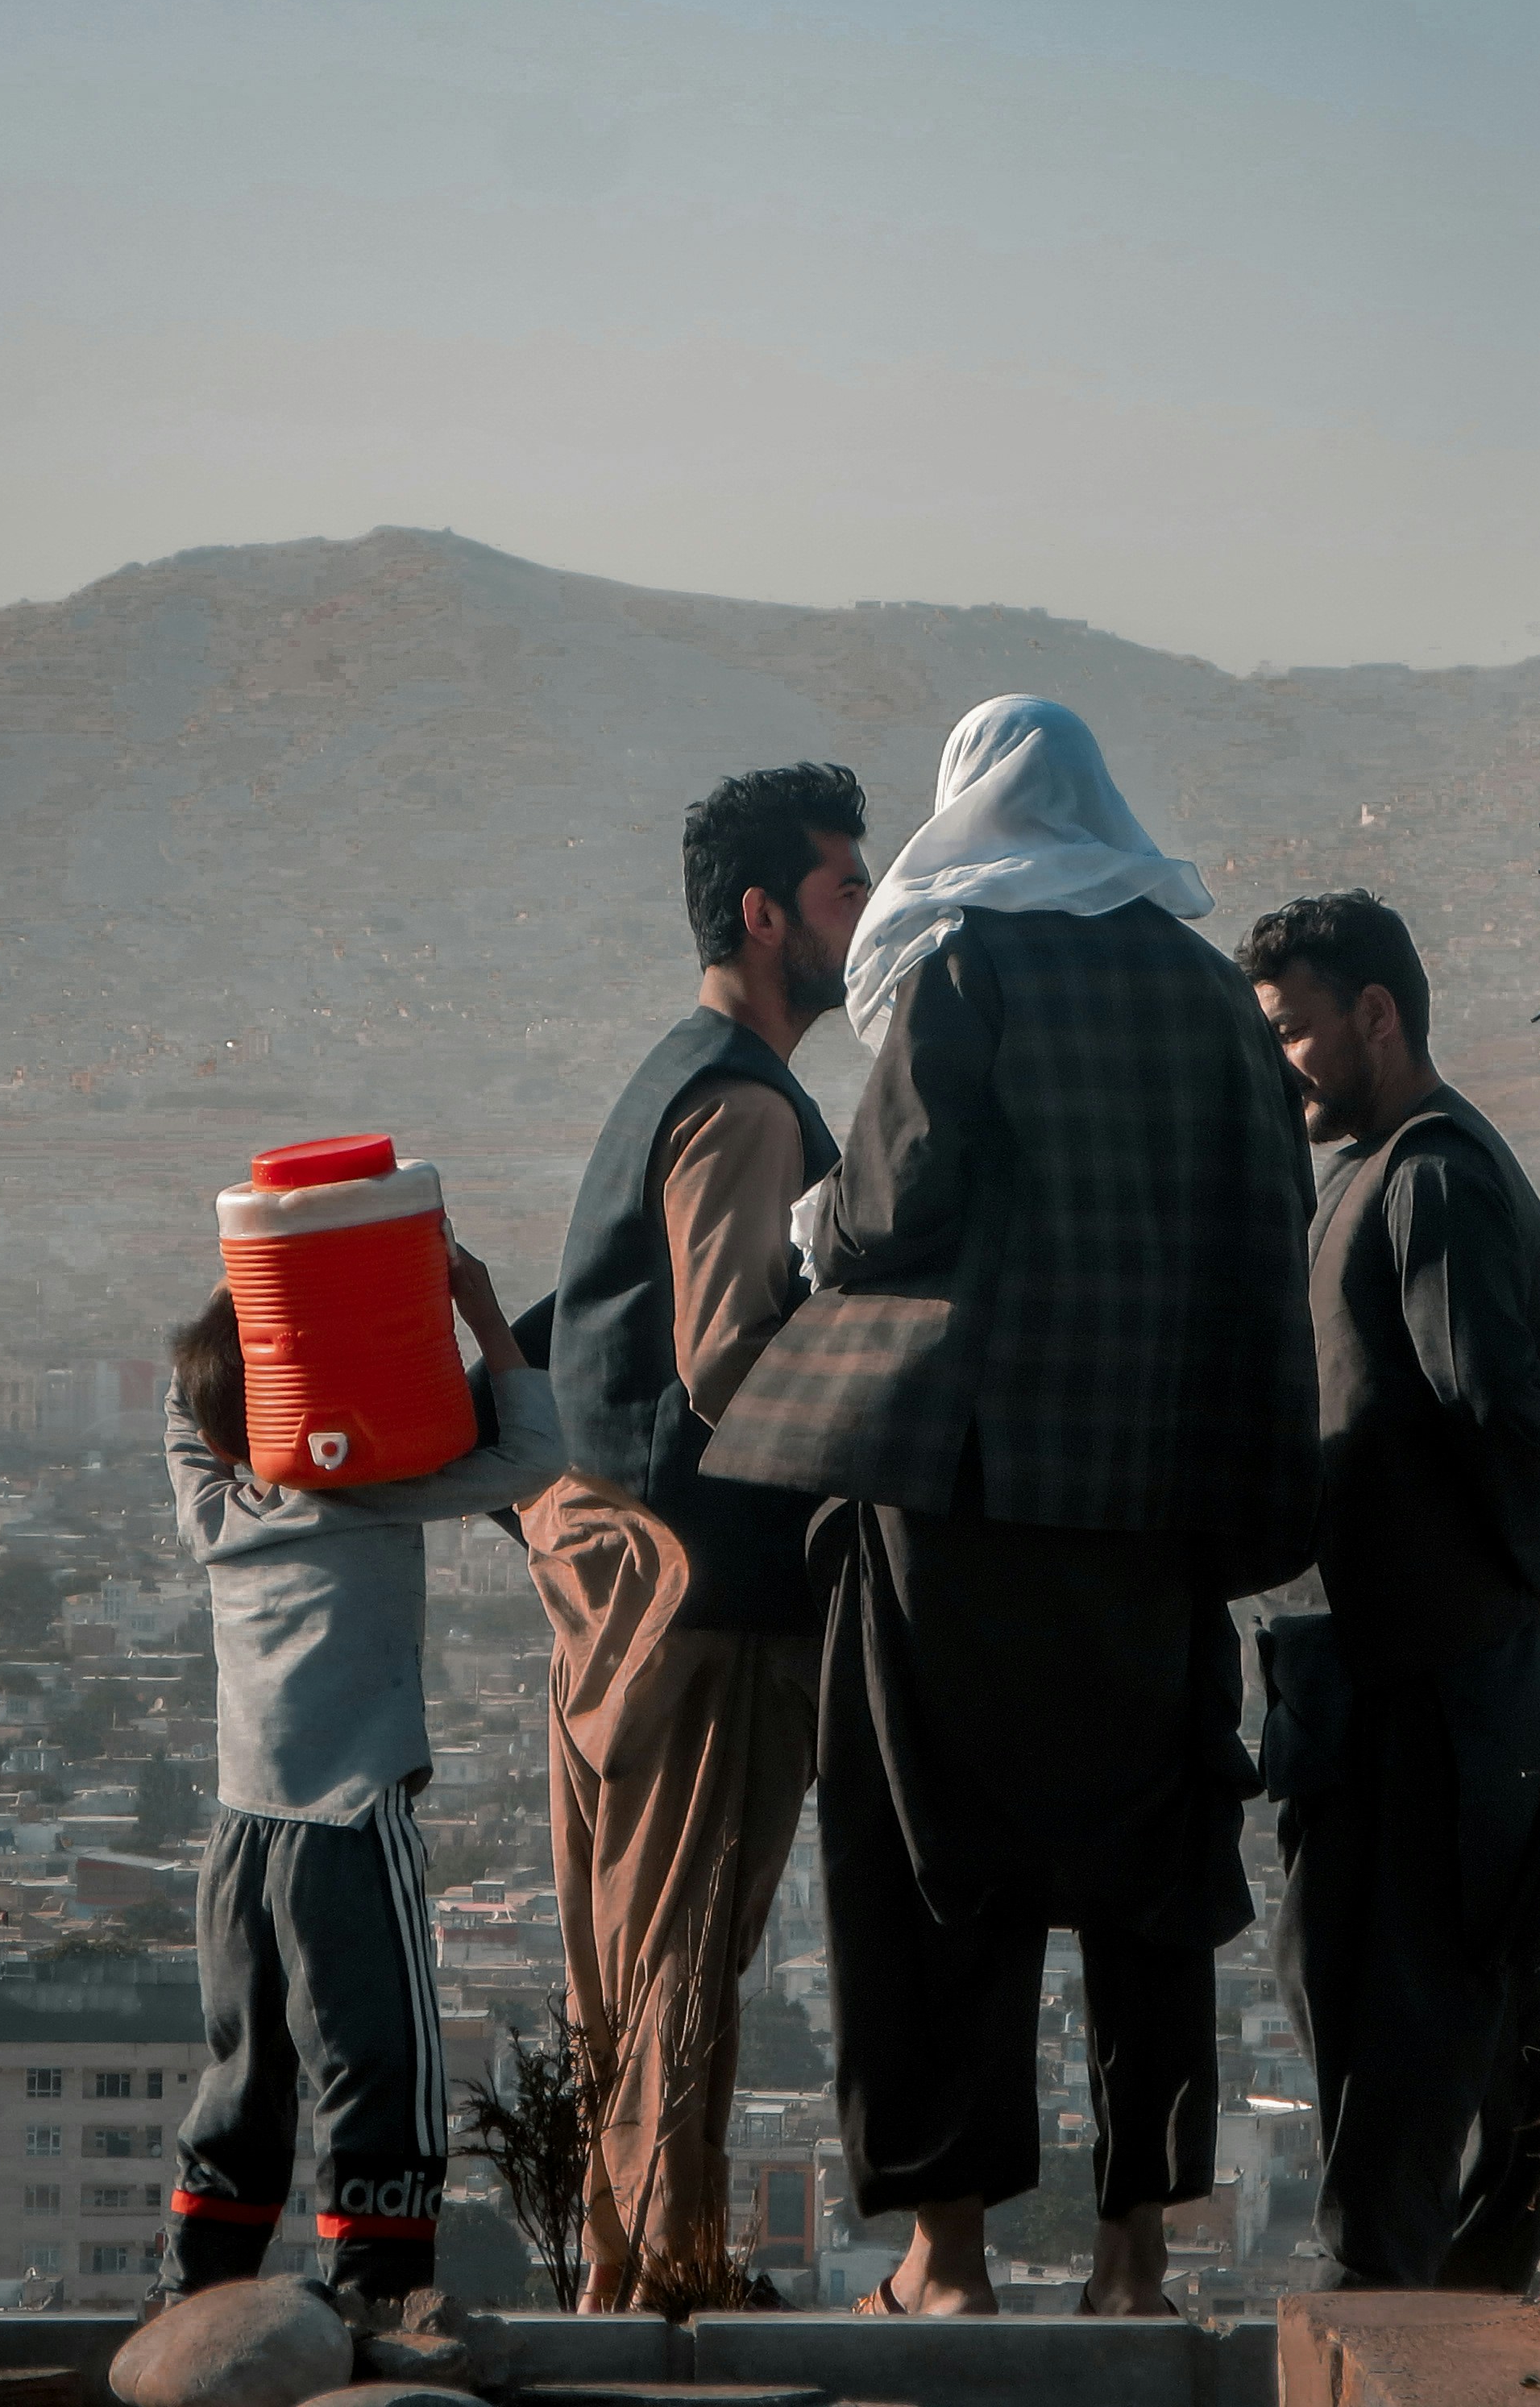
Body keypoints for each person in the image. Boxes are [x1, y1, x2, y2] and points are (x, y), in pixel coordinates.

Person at [704, 696, 1320, 2317]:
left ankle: (948, 2255)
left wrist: (821, 1225)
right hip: (1152, 1511)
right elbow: (1271, 1241)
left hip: (958, 1509)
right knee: (1148, 1886)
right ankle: (1131, 2264)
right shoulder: (1210, 1000)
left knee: (932, 1868)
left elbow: (893, 1209)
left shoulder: (969, 969)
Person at [525, 762, 871, 2306]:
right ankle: (668, 2274)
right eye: (840, 889)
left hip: (616, 1588)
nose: (860, 919)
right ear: (761, 914)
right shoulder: (740, 1105)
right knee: (681, 1951)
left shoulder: (668, 1078)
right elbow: (731, 1356)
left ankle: (620, 2271)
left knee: (628, 1952)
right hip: (712, 1598)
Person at [1237, 889, 1540, 2292]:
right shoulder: (1372, 1175)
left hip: (1435, 1699)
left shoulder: (1429, 1176)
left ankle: (1404, 2324)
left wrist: (1529, 1580)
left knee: (1408, 2025)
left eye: (1296, 1030)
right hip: (1385, 1687)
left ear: (1375, 1015)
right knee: (1375, 2010)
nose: (1284, 1063)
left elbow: (1493, 1408)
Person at [158, 1246, 560, 2307]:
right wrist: (477, 1303)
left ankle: (198, 2290)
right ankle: (381, 2283)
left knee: (245, 2065)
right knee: (379, 2055)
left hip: (238, 1839)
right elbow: (532, 1456)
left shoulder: (217, 1512)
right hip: (346, 1820)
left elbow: (184, 1405)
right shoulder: (371, 1493)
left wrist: (247, 1285)